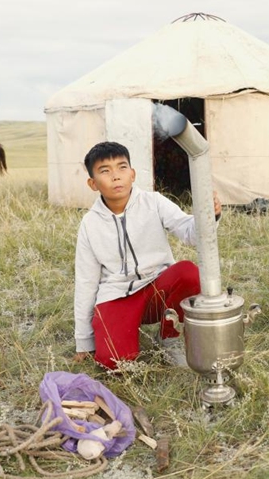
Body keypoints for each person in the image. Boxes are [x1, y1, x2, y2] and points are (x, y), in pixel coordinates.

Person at [72, 141, 222, 370]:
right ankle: (122, 335)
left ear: (132, 174)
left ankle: (170, 339)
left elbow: (190, 232)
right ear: (93, 183)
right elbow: (85, 281)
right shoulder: (90, 224)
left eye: (122, 167)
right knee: (113, 362)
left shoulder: (153, 202)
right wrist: (83, 340)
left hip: (157, 289)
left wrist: (207, 215)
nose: (115, 176)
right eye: (105, 171)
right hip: (118, 295)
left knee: (188, 272)